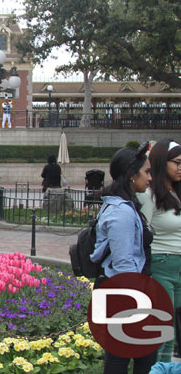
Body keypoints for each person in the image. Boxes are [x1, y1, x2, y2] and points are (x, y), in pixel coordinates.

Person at [90, 142, 156, 373]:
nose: (150, 177)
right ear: (131, 175)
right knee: (125, 360)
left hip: (125, 293)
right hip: (124, 296)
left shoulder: (124, 206)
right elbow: (124, 263)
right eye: (146, 172)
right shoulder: (121, 212)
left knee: (141, 356)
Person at [137, 139, 181, 362]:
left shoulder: (176, 192)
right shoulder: (150, 194)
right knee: (165, 325)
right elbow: (142, 232)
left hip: (179, 266)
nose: (180, 168)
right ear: (163, 162)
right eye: (177, 163)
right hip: (161, 264)